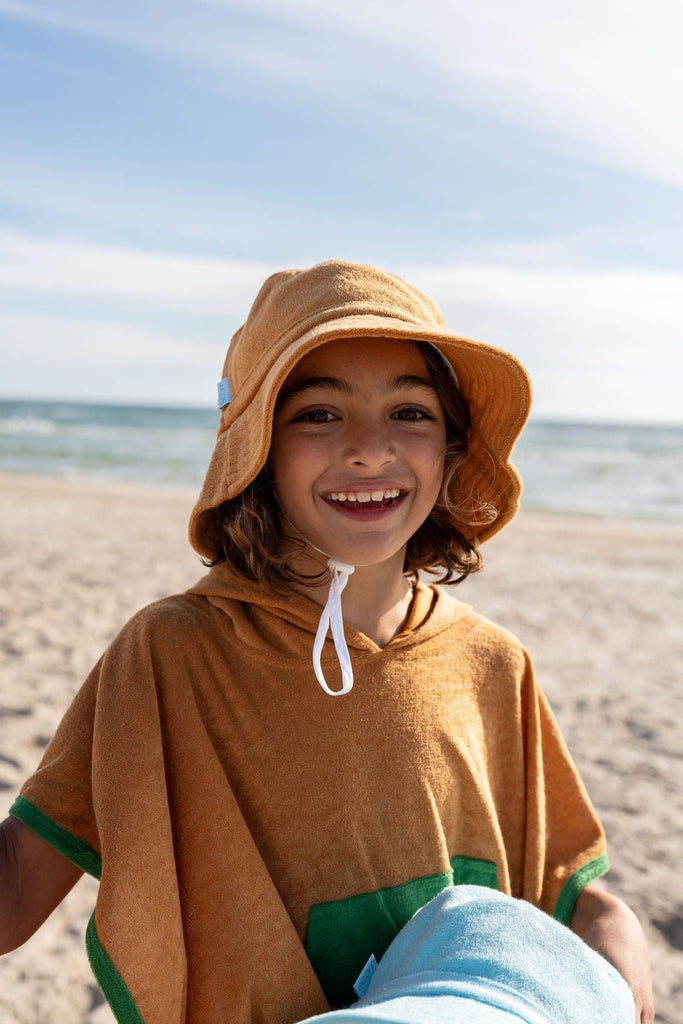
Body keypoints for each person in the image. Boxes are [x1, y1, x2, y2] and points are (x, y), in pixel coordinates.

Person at [0, 261, 653, 1024]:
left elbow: (561, 891)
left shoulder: (493, 663)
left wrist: (615, 924)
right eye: (317, 414)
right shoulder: (173, 654)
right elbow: (17, 890)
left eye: (410, 413)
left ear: (449, 448)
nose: (371, 448)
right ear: (257, 449)